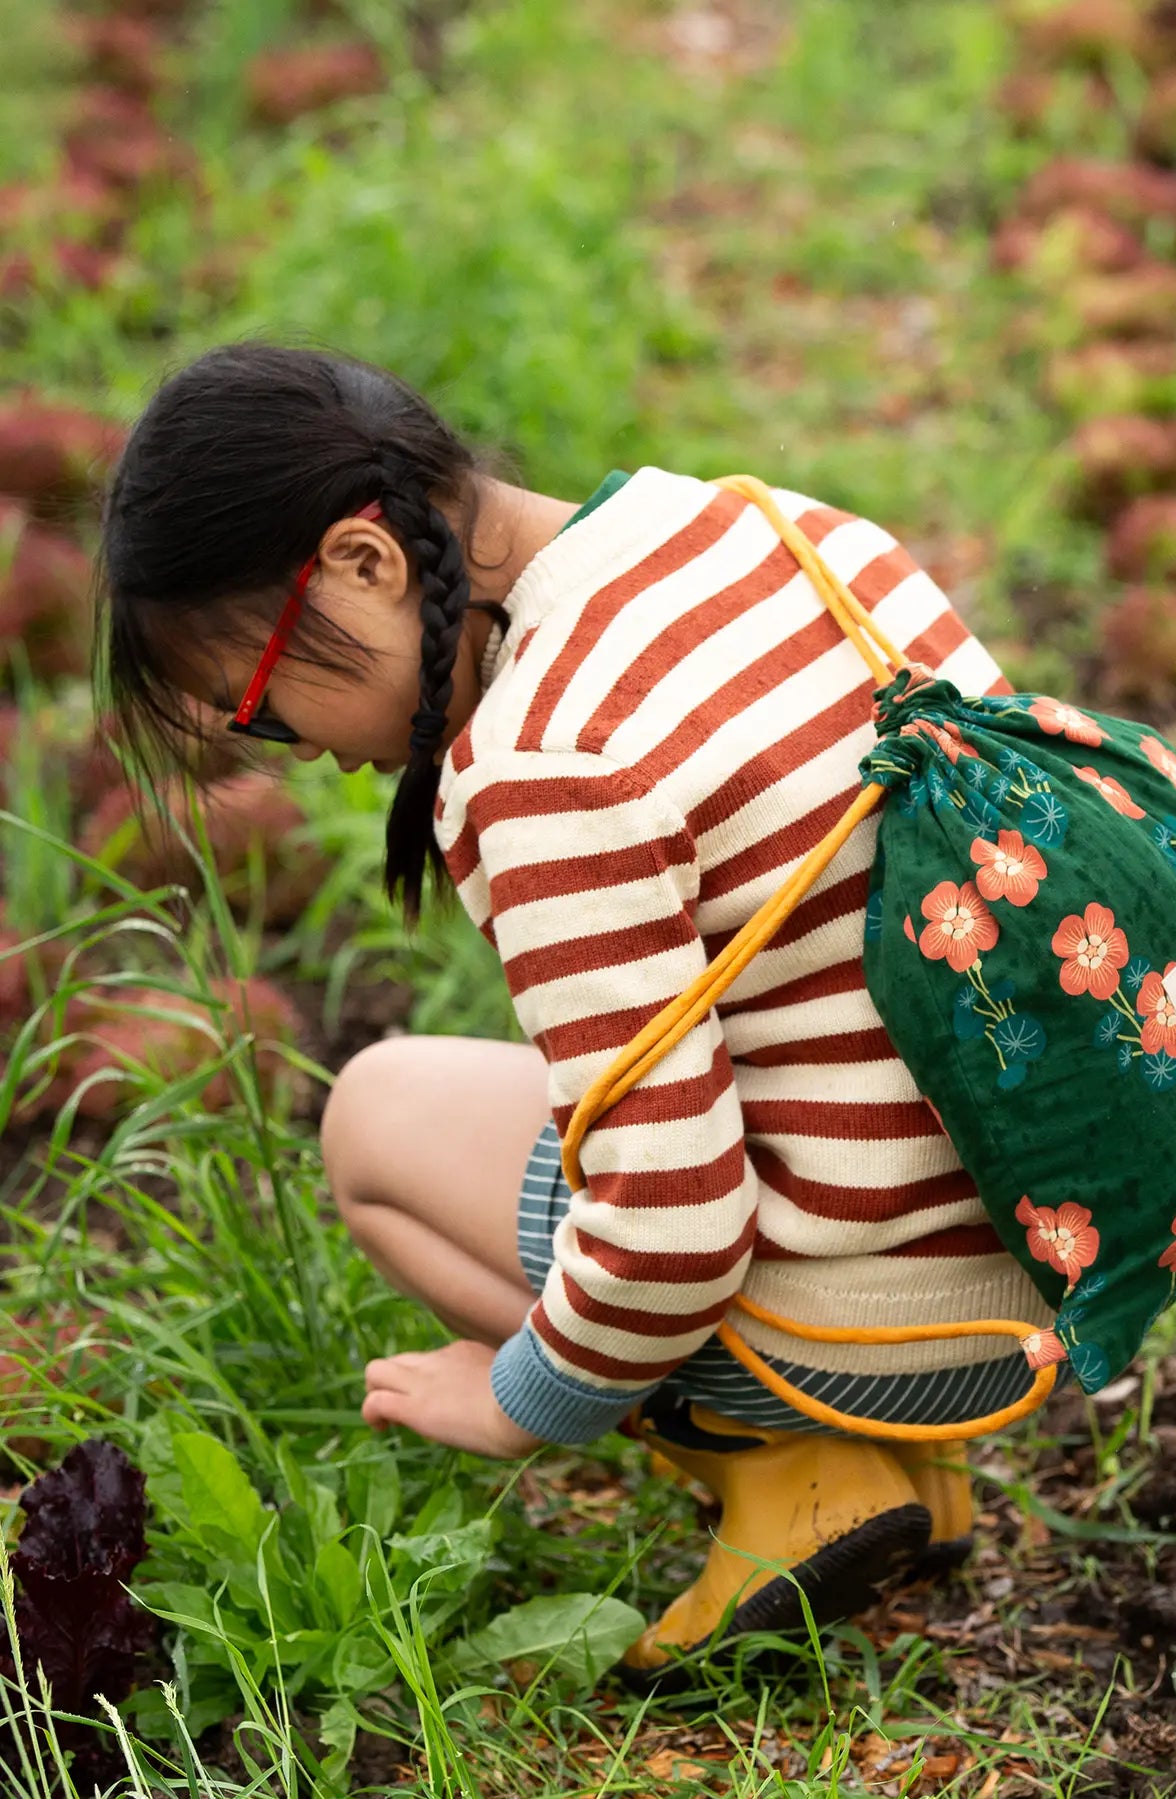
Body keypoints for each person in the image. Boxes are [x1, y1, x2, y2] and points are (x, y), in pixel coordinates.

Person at [96, 341, 1063, 1676]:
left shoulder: (540, 761)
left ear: (363, 563)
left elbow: (673, 1221)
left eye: (259, 710)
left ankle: (794, 1473)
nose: (304, 754)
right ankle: (903, 1463)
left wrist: (525, 1399)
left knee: (374, 1124)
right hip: (1055, 1234)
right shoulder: (763, 522)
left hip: (902, 1312)